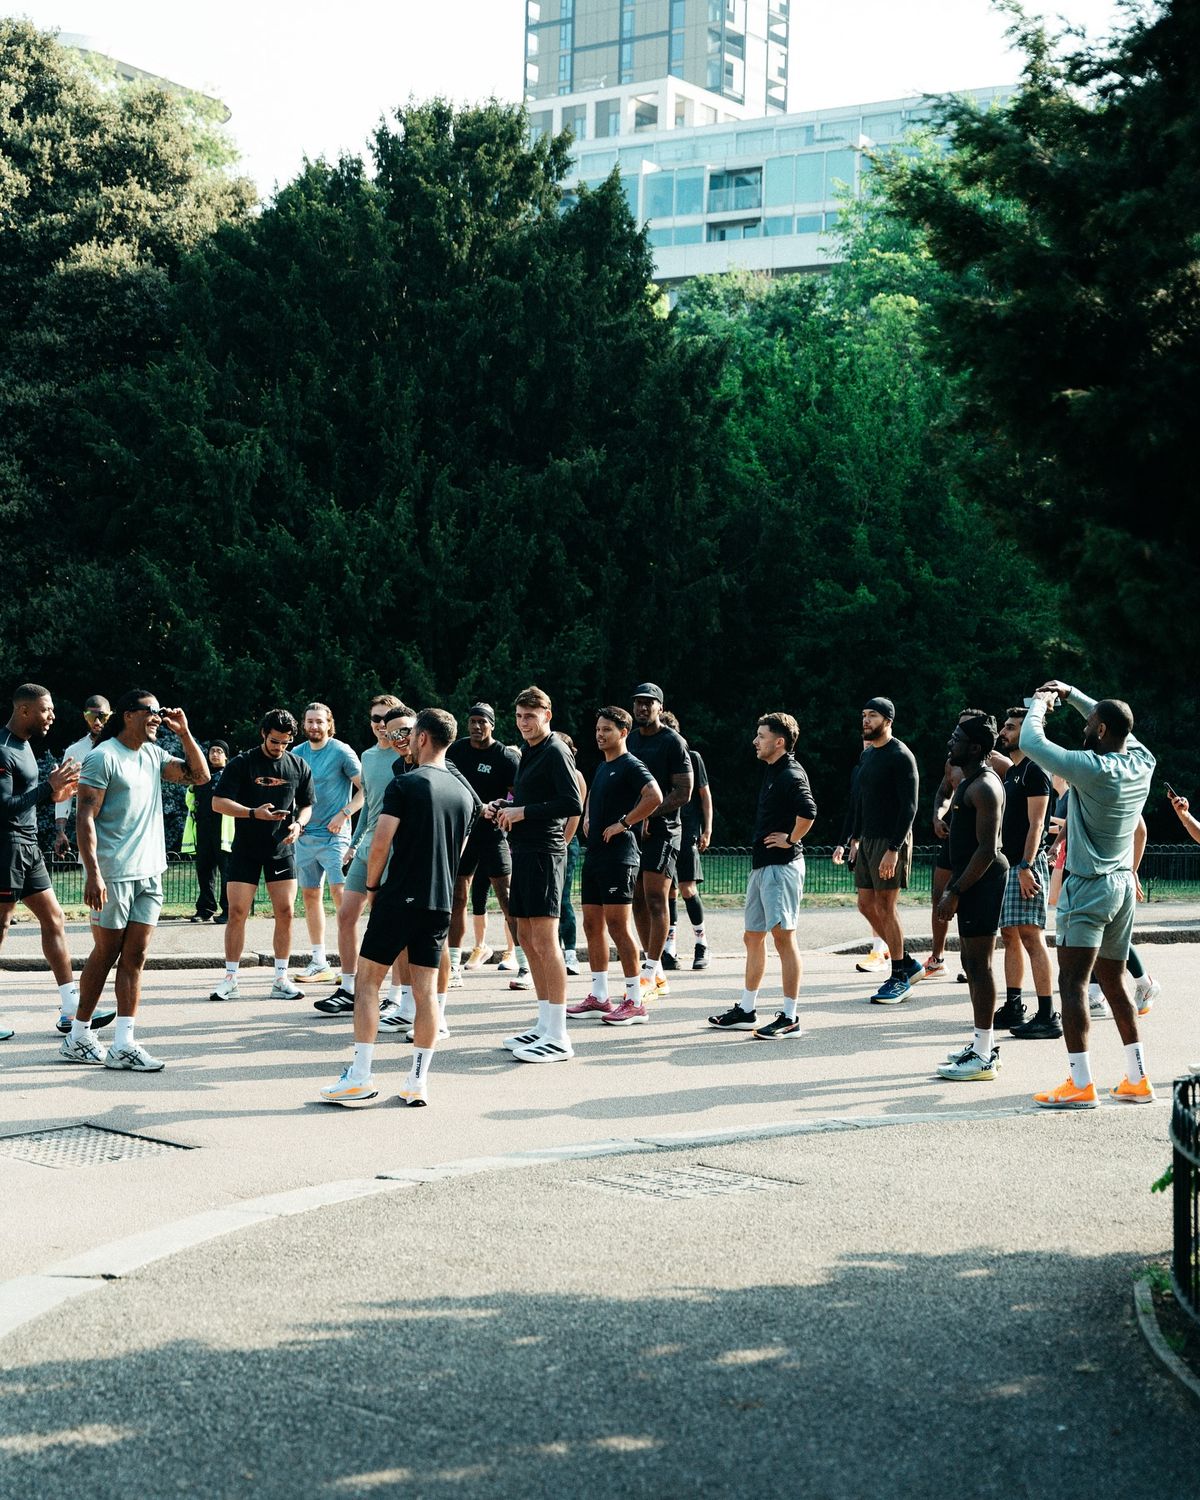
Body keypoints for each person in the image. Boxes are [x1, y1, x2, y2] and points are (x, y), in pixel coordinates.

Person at [319, 708, 478, 1108]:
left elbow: (380, 842)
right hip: (439, 901)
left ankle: (360, 1076)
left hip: (400, 894)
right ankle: (417, 1081)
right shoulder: (463, 793)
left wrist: (373, 886)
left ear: (422, 738)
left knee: (368, 983)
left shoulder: (405, 783)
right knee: (426, 993)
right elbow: (458, 850)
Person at [1020, 681, 1156, 1107]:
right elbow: (1116, 720)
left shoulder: (1091, 768)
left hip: (1088, 885)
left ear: (1099, 730)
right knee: (1114, 979)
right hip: (1122, 885)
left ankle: (1081, 1083)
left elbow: (1030, 742)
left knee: (1073, 982)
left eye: (1090, 722)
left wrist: (1041, 704)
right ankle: (1138, 1078)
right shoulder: (1143, 761)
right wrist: (1074, 694)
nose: (1086, 725)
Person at [64, 690, 209, 1071]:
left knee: (136, 956)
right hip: (113, 875)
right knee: (106, 953)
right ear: (129, 715)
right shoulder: (103, 756)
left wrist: (184, 733)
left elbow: (200, 776)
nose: (158, 717)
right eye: (151, 712)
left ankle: (123, 1043)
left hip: (150, 873)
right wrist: (93, 873)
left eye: (160, 712)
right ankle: (78, 1035)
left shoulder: (153, 754)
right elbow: (85, 817)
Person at [486, 686, 583, 1064]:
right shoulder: (529, 750)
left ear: (547, 715)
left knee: (545, 940)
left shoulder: (556, 749)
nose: (524, 722)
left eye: (531, 715)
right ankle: (544, 1024)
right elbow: (534, 798)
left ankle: (559, 1035)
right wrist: (505, 806)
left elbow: (571, 802)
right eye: (519, 716)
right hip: (524, 852)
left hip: (545, 853)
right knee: (525, 936)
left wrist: (523, 812)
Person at [0, 684, 102, 1042]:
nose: (52, 716)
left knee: (54, 918)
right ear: (24, 710)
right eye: (46, 710)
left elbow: (24, 799)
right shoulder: (3, 749)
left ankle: (71, 1007)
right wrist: (48, 787)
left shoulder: (25, 745)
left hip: (28, 847)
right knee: (1, 926)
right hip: (6, 849)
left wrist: (56, 792)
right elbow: (3, 808)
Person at [708, 712, 817, 1039]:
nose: (755, 741)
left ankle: (790, 1018)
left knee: (784, 939)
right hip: (763, 866)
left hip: (781, 868)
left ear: (779, 742)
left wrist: (791, 839)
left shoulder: (790, 774)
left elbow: (809, 811)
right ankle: (746, 1010)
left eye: (762, 736)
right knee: (753, 936)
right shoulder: (774, 770)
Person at [311, 696, 408, 1014]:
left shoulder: (407, 755)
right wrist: (353, 844)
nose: (381, 724)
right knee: (346, 914)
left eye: (386, 719)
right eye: (375, 719)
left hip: (396, 848)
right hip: (367, 847)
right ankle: (349, 988)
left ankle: (396, 995)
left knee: (392, 923)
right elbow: (368, 802)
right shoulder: (367, 756)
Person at [209, 710, 313, 1003]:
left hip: (281, 849)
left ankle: (280, 979)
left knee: (286, 912)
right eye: (274, 741)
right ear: (263, 734)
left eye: (285, 742)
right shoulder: (242, 763)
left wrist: (299, 824)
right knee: (237, 912)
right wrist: (252, 813)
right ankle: (230, 979)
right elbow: (218, 803)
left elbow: (307, 805)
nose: (279, 747)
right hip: (246, 849)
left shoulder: (298, 765)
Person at [567, 707, 662, 1025]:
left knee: (618, 926)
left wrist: (624, 823)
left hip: (620, 857)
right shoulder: (602, 766)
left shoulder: (631, 764)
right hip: (595, 855)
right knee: (591, 926)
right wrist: (589, 816)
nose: (599, 734)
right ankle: (599, 997)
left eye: (606, 729)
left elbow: (654, 796)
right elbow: (594, 795)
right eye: (597, 729)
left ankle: (635, 1001)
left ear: (623, 732)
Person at [933, 716, 1008, 1080]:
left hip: (983, 880)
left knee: (980, 965)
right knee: (971, 962)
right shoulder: (970, 780)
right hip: (973, 879)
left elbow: (988, 850)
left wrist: (955, 890)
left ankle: (983, 1056)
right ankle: (980, 1044)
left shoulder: (985, 787)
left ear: (976, 747)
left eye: (957, 738)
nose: (951, 742)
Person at [851, 697, 923, 1002]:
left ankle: (898, 976)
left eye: (873, 715)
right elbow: (861, 800)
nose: (866, 720)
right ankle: (907, 962)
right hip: (868, 839)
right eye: (864, 715)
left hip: (891, 840)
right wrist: (855, 839)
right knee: (865, 904)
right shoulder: (868, 755)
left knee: (886, 906)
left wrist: (894, 848)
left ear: (888, 721)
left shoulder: (900, 755)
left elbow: (910, 807)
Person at [444, 703, 521, 985]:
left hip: (493, 833)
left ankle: (524, 963)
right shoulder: (456, 751)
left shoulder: (505, 757)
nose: (477, 726)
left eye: (482, 722)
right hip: (463, 834)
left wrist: (501, 807)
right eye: (473, 721)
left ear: (492, 725)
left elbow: (518, 795)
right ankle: (454, 965)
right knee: (457, 897)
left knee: (507, 896)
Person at [994, 707, 1059, 1039]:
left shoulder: (1035, 770)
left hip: (1025, 866)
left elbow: (1037, 824)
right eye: (1004, 726)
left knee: (1032, 935)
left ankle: (1047, 1015)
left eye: (1011, 727)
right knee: (1009, 935)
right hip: (1010, 865)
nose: (1003, 732)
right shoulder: (1013, 772)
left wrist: (1026, 866)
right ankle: (1014, 1005)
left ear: (1030, 733)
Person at [628, 684, 692, 997]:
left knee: (656, 898)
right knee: (637, 900)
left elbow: (684, 791)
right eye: (638, 703)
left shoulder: (673, 742)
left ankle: (651, 971)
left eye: (648, 703)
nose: (642, 708)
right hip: (632, 828)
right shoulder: (630, 740)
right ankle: (656, 973)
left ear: (659, 707)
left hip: (663, 830)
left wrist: (648, 814)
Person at [292, 702, 361, 984]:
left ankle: (351, 965)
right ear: (304, 724)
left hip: (335, 837)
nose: (314, 726)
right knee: (310, 897)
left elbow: (365, 790)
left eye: (319, 721)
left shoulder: (341, 751)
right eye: (309, 721)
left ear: (329, 724)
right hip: (305, 837)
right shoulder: (297, 753)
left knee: (341, 897)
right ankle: (319, 961)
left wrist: (344, 814)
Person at [660, 711, 713, 972]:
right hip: (664, 830)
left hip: (688, 829)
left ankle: (701, 944)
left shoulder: (692, 757)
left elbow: (705, 795)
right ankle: (670, 947)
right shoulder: (654, 758)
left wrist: (707, 829)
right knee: (668, 891)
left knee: (687, 888)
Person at [832, 735, 889, 974]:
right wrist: (846, 842)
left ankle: (880, 951)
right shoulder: (859, 771)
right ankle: (885, 946)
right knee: (867, 901)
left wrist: (893, 847)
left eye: (871, 741)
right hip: (863, 840)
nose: (867, 744)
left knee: (881, 900)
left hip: (884, 840)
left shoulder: (892, 764)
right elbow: (854, 809)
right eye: (864, 741)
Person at [53, 694, 111, 857]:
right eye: (92, 717)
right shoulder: (75, 751)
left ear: (111, 716)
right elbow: (64, 795)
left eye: (102, 716)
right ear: (85, 717)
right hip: (89, 831)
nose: (97, 722)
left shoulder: (124, 746)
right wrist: (60, 832)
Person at [183, 740, 233, 923]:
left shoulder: (230, 774)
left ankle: (228, 910)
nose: (215, 754)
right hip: (203, 828)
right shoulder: (200, 776)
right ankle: (205, 909)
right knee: (204, 871)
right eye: (212, 751)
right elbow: (190, 801)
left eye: (219, 751)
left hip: (224, 831)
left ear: (226, 756)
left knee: (227, 872)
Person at [555, 733, 588, 975]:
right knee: (548, 902)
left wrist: (563, 844)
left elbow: (575, 814)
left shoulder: (576, 776)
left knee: (563, 898)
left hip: (565, 842)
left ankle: (570, 953)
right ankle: (552, 952)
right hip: (545, 843)